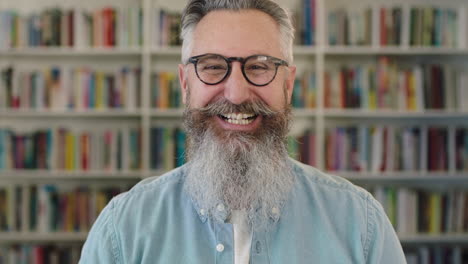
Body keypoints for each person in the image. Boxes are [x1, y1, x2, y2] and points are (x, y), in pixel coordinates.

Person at [79, 0, 407, 263]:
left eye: (259, 66)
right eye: (212, 66)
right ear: (185, 84)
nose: (236, 94)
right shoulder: (123, 229)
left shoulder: (360, 224)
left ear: (288, 85)